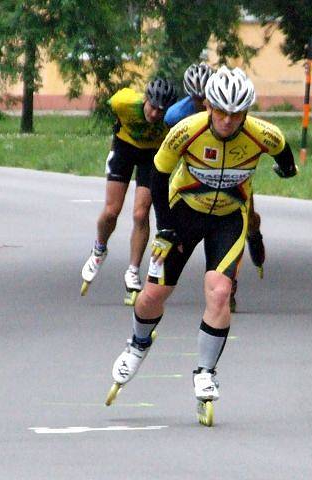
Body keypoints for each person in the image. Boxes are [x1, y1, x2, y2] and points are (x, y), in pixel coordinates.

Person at [105, 67, 297, 425]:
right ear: (208, 105)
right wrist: (164, 229)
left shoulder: (263, 134)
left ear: (246, 112)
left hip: (229, 218)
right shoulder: (185, 132)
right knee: (151, 297)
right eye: (220, 111)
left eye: (236, 113)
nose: (227, 120)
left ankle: (206, 372)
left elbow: (284, 153)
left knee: (220, 291)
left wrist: (286, 169)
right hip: (182, 214)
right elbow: (157, 175)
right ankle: (138, 344)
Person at [165, 63, 266, 312]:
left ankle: (253, 236)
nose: (203, 105)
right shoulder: (176, 116)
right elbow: (170, 151)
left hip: (233, 174)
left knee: (246, 218)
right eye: (198, 100)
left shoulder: (233, 114)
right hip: (198, 175)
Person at [80, 79, 177, 306]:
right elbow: (109, 107)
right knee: (112, 211)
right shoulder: (124, 101)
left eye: (161, 111)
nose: (154, 114)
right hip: (124, 149)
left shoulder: (172, 121)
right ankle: (99, 250)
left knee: (141, 214)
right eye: (152, 107)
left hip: (151, 156)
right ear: (145, 99)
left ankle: (133, 271)